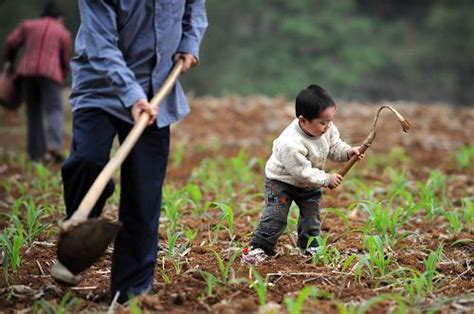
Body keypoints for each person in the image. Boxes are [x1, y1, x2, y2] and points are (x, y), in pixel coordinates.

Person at [52, 0, 208, 304]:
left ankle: (132, 291)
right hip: (100, 86)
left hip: (156, 89)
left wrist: (190, 42)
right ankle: (81, 227)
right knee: (87, 161)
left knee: (143, 193)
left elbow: (194, 5)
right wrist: (132, 95)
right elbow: (101, 44)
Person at [242, 84, 364, 265]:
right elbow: (302, 173)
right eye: (323, 122)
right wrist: (326, 179)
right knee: (276, 216)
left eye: (329, 121)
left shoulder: (327, 129)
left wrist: (348, 152)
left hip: (309, 183)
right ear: (303, 120)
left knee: (311, 215)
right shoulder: (290, 143)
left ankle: (310, 245)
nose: (328, 126)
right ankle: (257, 248)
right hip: (281, 183)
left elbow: (334, 147)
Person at [4, 2, 72, 162]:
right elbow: (66, 57)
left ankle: (36, 154)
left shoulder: (28, 25)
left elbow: (10, 42)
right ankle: (54, 145)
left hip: (26, 73)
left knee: (33, 113)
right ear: (59, 18)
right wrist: (64, 73)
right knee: (54, 109)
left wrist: (10, 60)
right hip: (50, 73)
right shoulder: (62, 31)